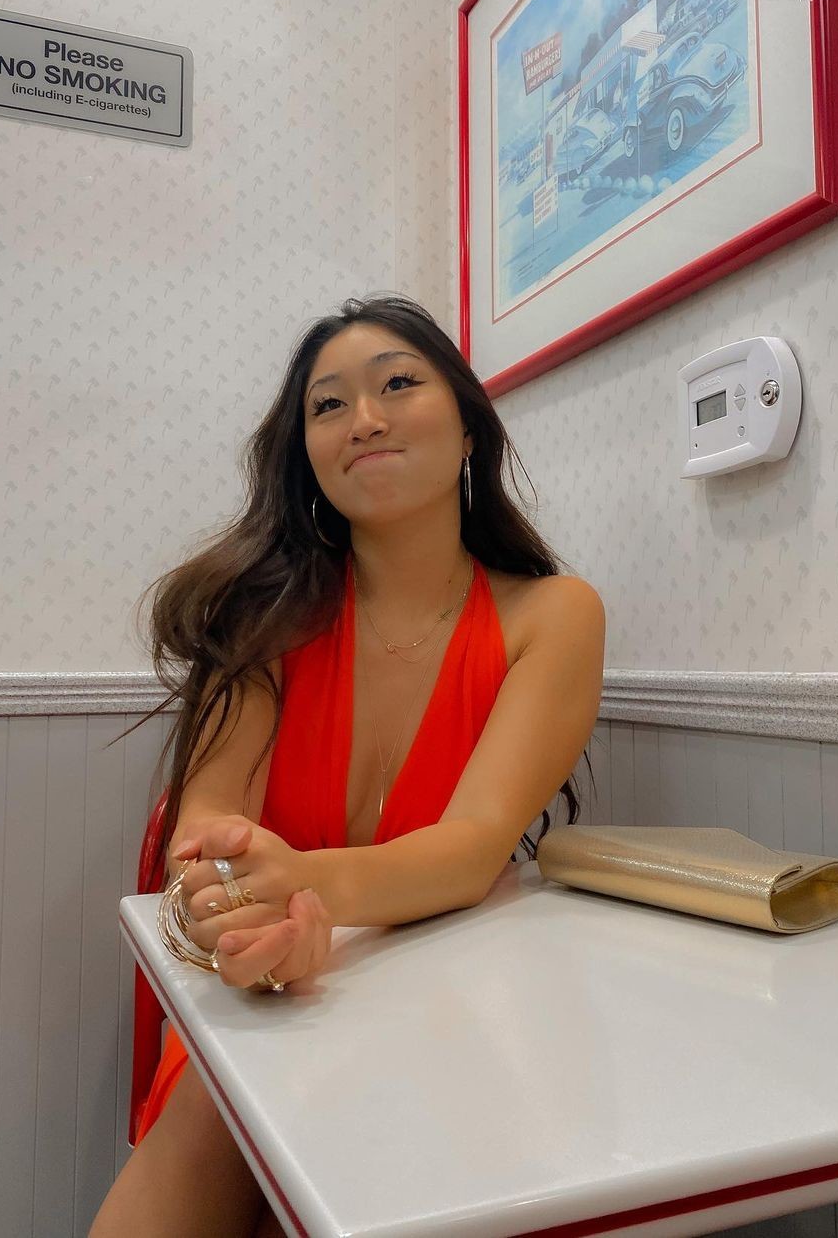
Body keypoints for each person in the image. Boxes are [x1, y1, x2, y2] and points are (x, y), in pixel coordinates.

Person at [88, 293, 605, 1237]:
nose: (363, 418)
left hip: (453, 984)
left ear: (468, 429)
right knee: (225, 1109)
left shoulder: (554, 616)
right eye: (327, 405)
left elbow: (472, 848)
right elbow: (205, 834)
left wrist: (303, 886)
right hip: (261, 990)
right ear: (308, 457)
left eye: (397, 384)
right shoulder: (263, 618)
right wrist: (240, 922)